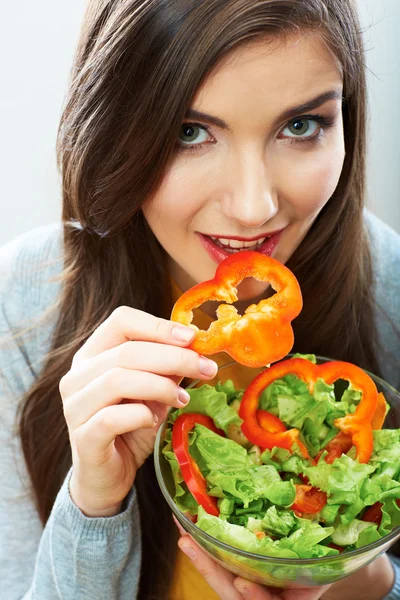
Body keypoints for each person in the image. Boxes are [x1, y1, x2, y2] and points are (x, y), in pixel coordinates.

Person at [1, 0, 399, 598]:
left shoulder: (389, 286)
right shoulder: (23, 306)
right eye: (190, 133)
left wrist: (362, 581)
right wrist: (93, 505)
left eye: (301, 126)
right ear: (113, 130)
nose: (252, 207)